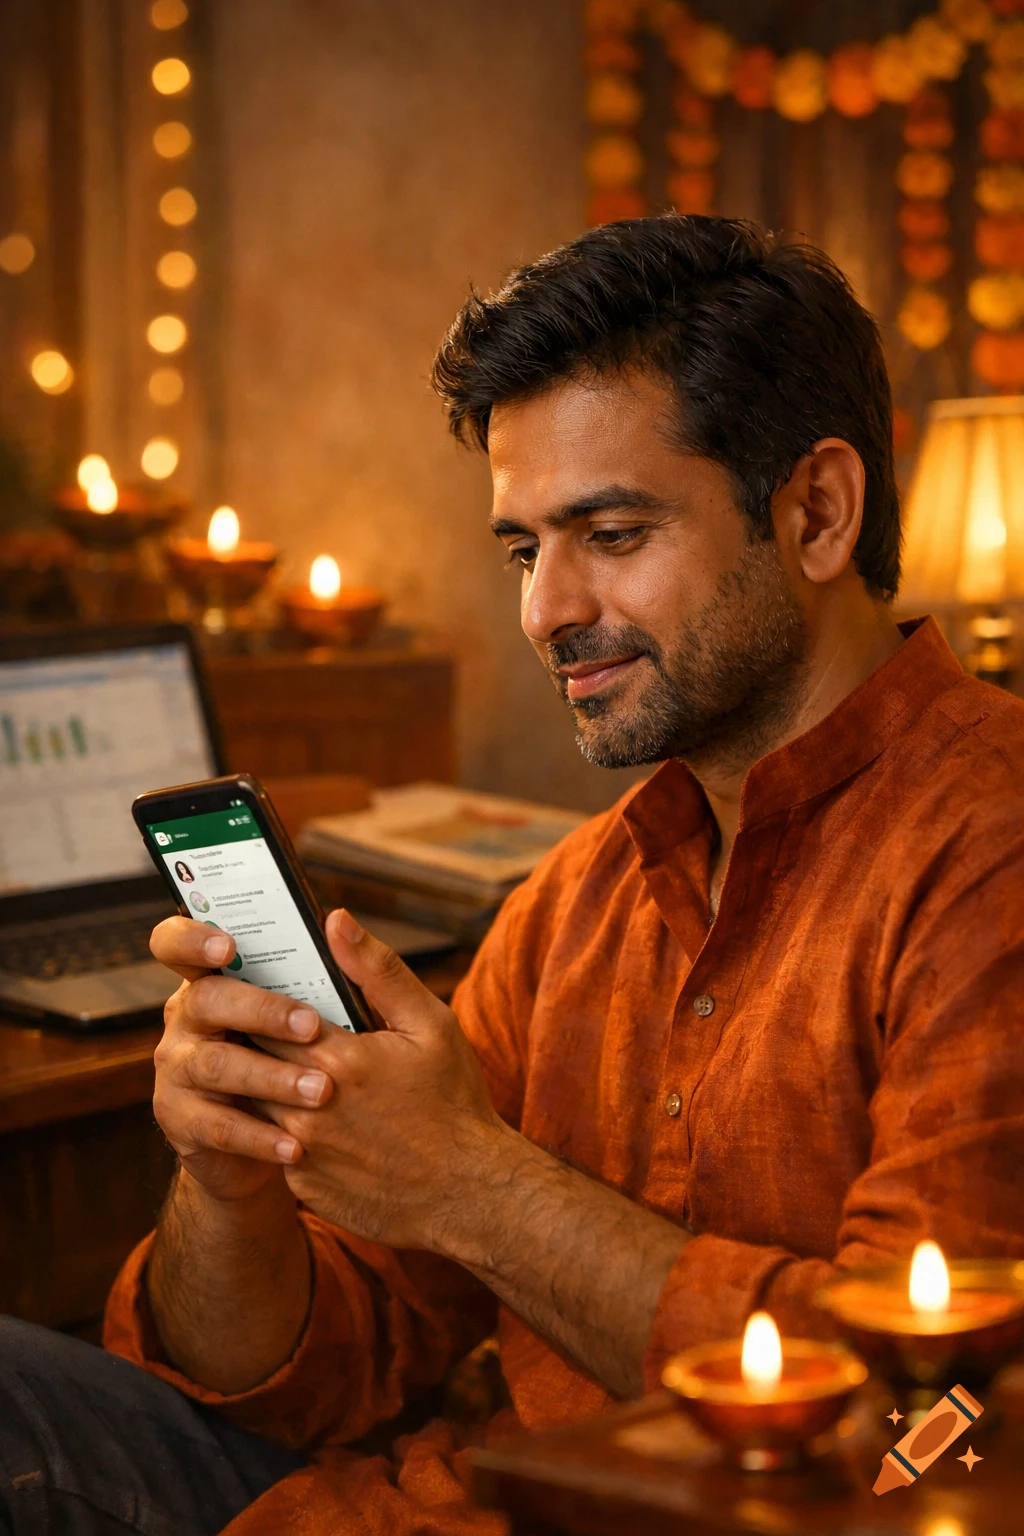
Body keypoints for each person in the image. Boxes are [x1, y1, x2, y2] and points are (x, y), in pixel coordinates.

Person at [3, 215, 1023, 1536]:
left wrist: (473, 1187)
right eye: (523, 549)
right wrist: (230, 1174)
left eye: (608, 532)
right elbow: (292, 1370)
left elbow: (930, 1433)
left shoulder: (985, 853)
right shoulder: (577, 901)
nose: (544, 611)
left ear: (817, 511)